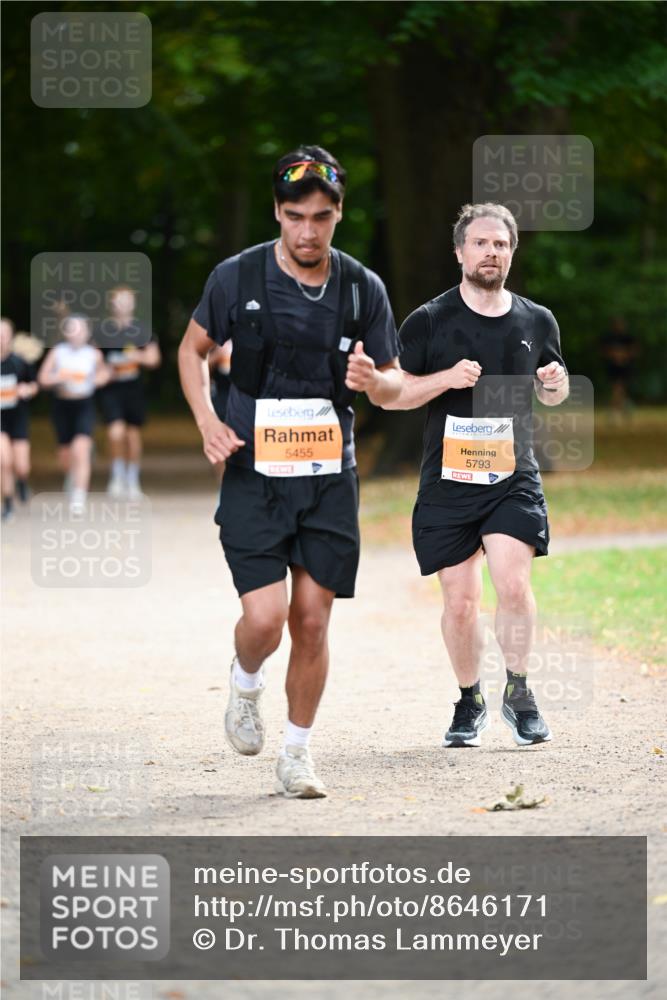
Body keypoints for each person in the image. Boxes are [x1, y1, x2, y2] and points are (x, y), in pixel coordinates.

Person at [178, 146, 401, 797]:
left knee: (311, 618)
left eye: (321, 217)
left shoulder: (362, 287)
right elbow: (191, 352)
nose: (308, 231)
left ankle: (297, 753)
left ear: (338, 215)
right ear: (277, 212)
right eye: (295, 215)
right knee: (265, 619)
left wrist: (375, 381)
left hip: (330, 475)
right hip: (254, 472)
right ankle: (245, 683)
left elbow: (393, 379)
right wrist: (206, 422)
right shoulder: (237, 279)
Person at [384, 202, 569, 748]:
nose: (492, 252)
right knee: (461, 601)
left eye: (502, 244)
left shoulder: (537, 319)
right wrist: (445, 377)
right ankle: (469, 700)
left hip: (512, 473)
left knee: (513, 584)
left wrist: (554, 381)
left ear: (512, 253)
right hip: (448, 478)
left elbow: (552, 393)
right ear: (460, 252)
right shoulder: (430, 320)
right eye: (482, 243)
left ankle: (519, 692)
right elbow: (393, 396)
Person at [38, 314, 110, 514]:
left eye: (80, 329)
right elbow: (42, 378)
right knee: (65, 454)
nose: (76, 333)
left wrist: (97, 380)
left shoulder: (93, 354)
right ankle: (71, 475)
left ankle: (79, 495)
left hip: (84, 405)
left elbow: (104, 374)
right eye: (71, 329)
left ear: (86, 332)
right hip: (62, 406)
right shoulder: (57, 352)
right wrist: (57, 378)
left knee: (81, 448)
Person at [96, 286, 161, 499]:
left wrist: (136, 357)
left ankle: (133, 480)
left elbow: (154, 359)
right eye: (118, 301)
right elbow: (94, 360)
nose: (122, 305)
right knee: (115, 433)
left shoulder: (142, 330)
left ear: (133, 304)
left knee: (132, 436)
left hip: (133, 389)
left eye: (126, 301)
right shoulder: (102, 331)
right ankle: (117, 476)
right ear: (111, 304)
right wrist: (104, 371)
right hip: (111, 390)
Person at [1, 318, 39, 520]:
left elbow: (34, 384)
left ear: (11, 337)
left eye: (4, 335)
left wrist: (28, 390)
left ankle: (22, 481)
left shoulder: (20, 362)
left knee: (21, 466)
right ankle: (7, 503)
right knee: (4, 461)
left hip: (18, 419)